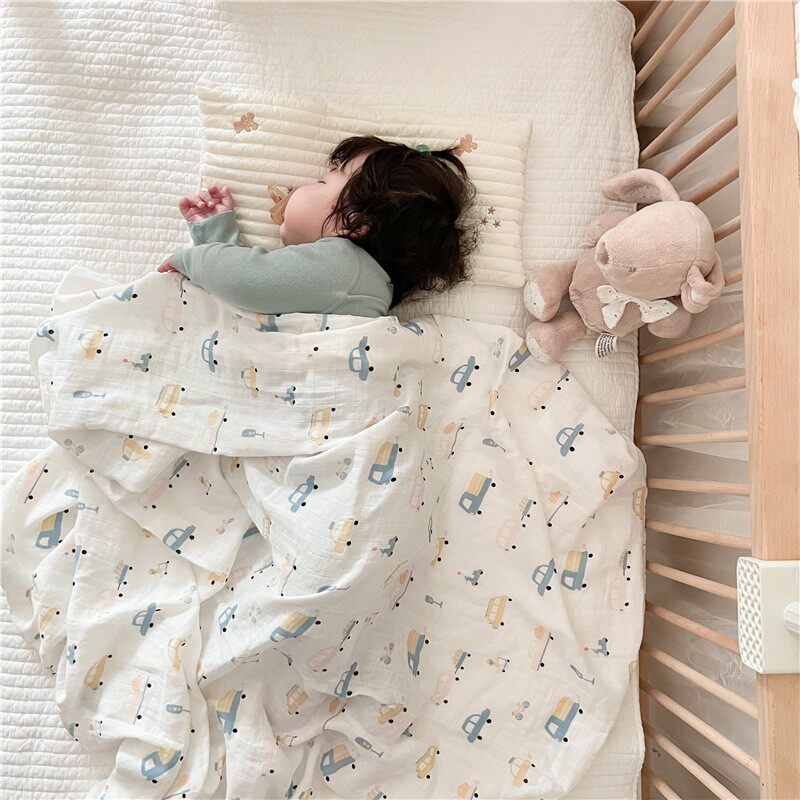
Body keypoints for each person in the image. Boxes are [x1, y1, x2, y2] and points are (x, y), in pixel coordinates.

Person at [157, 135, 481, 316]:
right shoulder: (355, 279)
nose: (301, 188)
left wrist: (193, 259)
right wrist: (216, 234)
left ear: (354, 222)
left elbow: (249, 280)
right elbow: (256, 297)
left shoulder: (345, 266)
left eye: (322, 182)